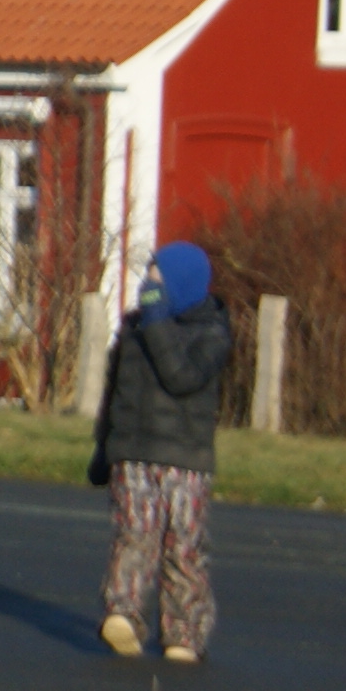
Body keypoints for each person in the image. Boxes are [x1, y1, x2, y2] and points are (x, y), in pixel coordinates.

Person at [94, 242, 231, 666]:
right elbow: (114, 393)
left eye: (158, 279)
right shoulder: (133, 329)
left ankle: (184, 633)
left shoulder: (211, 332)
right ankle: (124, 614)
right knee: (135, 535)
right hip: (134, 453)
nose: (148, 288)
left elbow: (181, 377)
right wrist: (103, 448)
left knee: (183, 547)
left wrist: (156, 322)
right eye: (147, 278)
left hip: (185, 461)